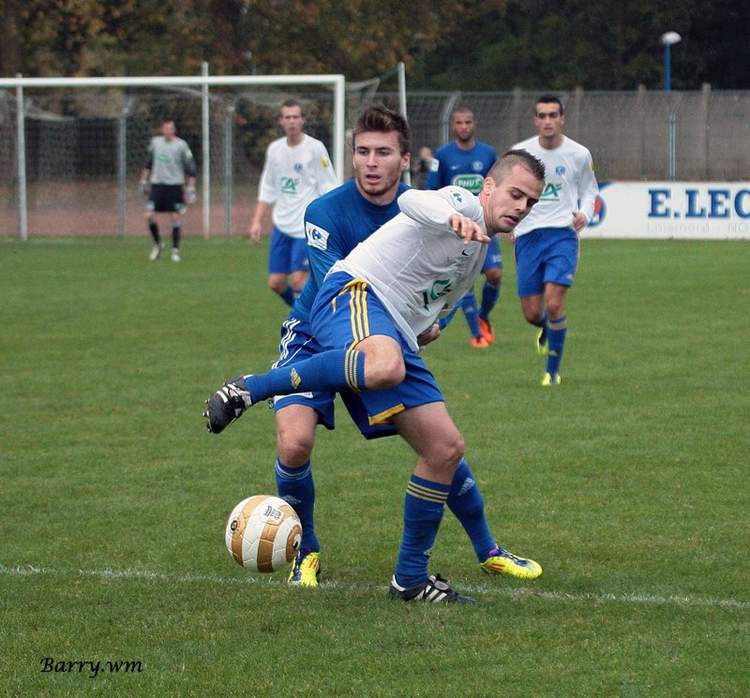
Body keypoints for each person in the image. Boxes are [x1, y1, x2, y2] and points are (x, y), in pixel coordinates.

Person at [205, 149, 546, 604]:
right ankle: (251, 388)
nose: (521, 207)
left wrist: (430, 324)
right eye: (516, 194)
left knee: (445, 449)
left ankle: (410, 580)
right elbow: (414, 203)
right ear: (488, 187)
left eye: (531, 202)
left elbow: (434, 305)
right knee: (383, 368)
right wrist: (450, 215)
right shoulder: (462, 205)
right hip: (355, 292)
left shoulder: (477, 252)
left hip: (395, 330)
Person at [512, 95, 599, 385]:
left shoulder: (579, 154)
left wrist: (584, 214)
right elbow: (507, 189)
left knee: (553, 303)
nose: (548, 121)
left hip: (562, 234)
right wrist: (509, 222)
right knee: (532, 312)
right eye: (542, 116)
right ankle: (547, 329)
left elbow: (590, 191)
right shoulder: (520, 153)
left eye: (553, 115)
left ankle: (552, 371)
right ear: (535, 120)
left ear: (562, 119)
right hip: (527, 236)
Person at [249, 99, 338, 306]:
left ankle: (304, 324)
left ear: (302, 120)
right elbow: (267, 187)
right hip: (282, 226)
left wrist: (331, 221)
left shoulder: (315, 148)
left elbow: (329, 186)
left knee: (299, 281)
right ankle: (305, 315)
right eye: (287, 117)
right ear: (281, 121)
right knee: (276, 283)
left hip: (305, 228)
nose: (292, 121)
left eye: (295, 117)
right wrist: (256, 221)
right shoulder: (274, 150)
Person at [427, 107, 501, 348]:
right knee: (463, 278)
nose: (464, 127)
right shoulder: (444, 155)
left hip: (485, 225)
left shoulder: (488, 154)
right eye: (459, 122)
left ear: (474, 124)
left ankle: (483, 316)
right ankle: (476, 333)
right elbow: (432, 189)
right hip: (457, 229)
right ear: (453, 126)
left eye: (468, 122)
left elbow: (499, 188)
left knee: (495, 275)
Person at [140, 119, 196, 262]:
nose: (169, 131)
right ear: (162, 129)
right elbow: (148, 163)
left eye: (171, 128)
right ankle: (158, 245)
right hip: (157, 185)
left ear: (174, 130)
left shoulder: (181, 145)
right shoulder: (155, 143)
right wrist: (143, 181)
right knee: (149, 215)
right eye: (166, 128)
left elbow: (191, 168)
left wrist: (191, 187)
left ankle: (175, 251)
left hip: (175, 185)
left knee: (175, 217)